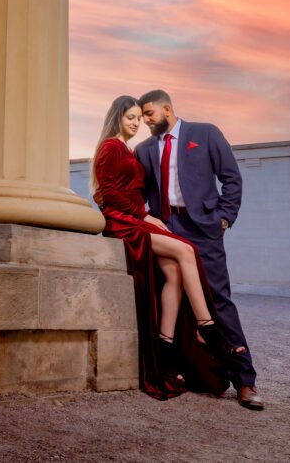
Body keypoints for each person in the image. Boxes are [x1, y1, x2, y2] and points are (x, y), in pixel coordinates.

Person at [92, 95, 230, 400]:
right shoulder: (110, 147)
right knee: (185, 250)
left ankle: (165, 349)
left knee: (175, 273)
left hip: (134, 218)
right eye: (130, 117)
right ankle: (207, 326)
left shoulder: (129, 149)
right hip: (122, 222)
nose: (136, 123)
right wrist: (146, 216)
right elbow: (109, 193)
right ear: (116, 117)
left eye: (139, 119)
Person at [134, 89, 264, 410]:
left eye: (149, 114)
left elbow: (231, 178)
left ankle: (245, 381)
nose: (145, 121)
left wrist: (223, 218)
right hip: (166, 228)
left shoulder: (205, 133)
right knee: (170, 298)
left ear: (167, 109)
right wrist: (150, 219)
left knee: (217, 299)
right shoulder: (144, 149)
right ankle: (185, 372)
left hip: (203, 228)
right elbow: (139, 191)